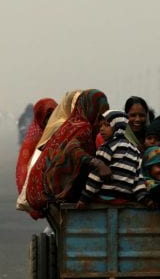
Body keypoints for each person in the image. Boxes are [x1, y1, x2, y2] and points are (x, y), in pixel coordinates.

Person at [25, 89, 111, 220]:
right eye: (100, 111)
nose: (102, 116)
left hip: (40, 187)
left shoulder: (71, 123)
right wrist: (98, 164)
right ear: (91, 108)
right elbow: (72, 150)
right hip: (51, 190)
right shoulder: (83, 127)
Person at [77, 110, 150, 208]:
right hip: (124, 199)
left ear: (118, 126)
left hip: (105, 197)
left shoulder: (108, 146)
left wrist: (84, 198)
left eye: (107, 125)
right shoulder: (135, 150)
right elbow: (138, 179)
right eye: (100, 126)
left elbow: (96, 174)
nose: (101, 129)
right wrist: (144, 198)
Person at [15, 98, 56, 194]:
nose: (48, 120)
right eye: (46, 116)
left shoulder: (62, 131)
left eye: (52, 115)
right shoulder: (33, 135)